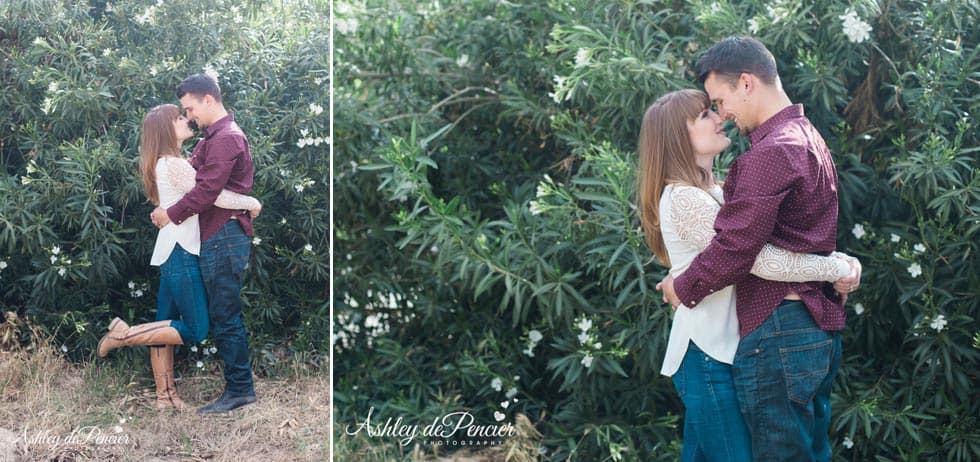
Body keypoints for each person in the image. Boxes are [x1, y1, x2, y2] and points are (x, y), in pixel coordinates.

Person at [657, 37, 862, 461]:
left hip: (781, 329)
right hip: (811, 327)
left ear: (746, 83)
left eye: (719, 100)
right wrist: (836, 266)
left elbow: (739, 249)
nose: (723, 116)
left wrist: (684, 285)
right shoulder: (806, 137)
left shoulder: (768, 154)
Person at [98, 104, 261, 411]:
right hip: (182, 250)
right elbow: (213, 196)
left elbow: (198, 191)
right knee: (197, 329)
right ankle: (122, 335)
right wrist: (250, 202)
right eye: (178, 117)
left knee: (164, 323)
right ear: (165, 129)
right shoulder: (174, 165)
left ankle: (165, 397)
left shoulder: (167, 162)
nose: (186, 120)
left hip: (171, 248)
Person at [149, 74, 260, 414]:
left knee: (225, 316)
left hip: (224, 237)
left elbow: (206, 192)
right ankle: (239, 388)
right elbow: (193, 179)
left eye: (190, 107)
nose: (189, 115)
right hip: (216, 237)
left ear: (208, 99)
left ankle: (240, 390)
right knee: (222, 314)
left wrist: (171, 213)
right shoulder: (211, 139)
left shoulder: (226, 138)